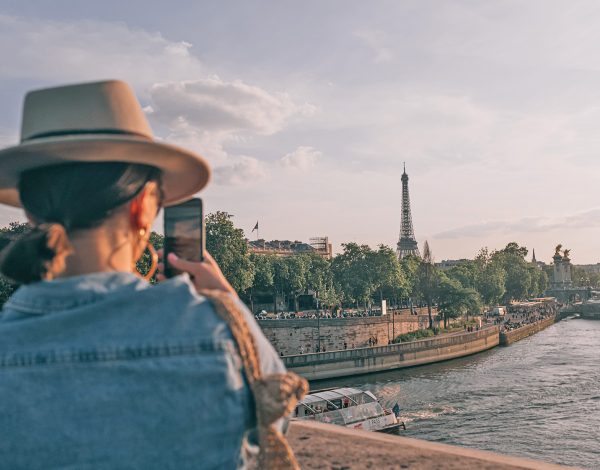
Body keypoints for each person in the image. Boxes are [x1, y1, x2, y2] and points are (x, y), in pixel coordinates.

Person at [0, 80, 307, 470]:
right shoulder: (215, 331)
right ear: (144, 208)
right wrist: (228, 304)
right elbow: (276, 415)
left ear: (29, 213)